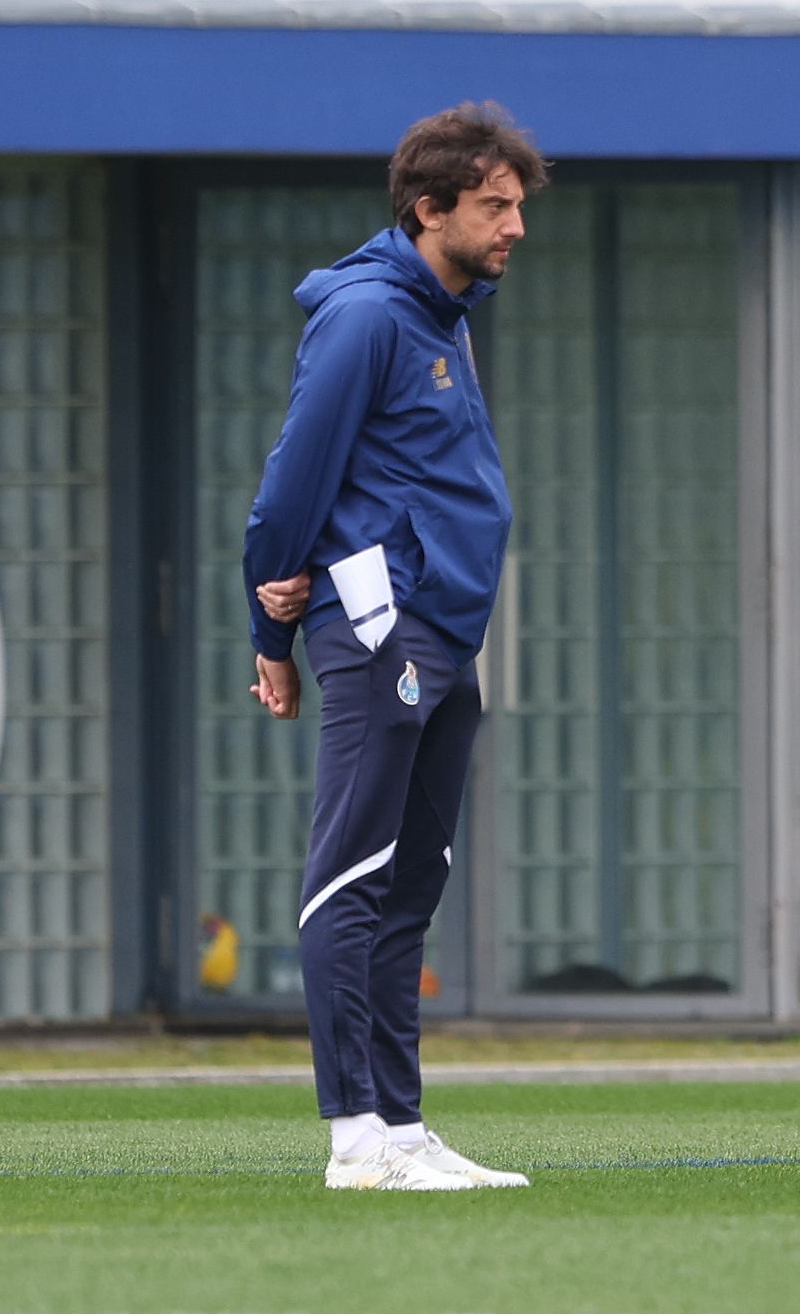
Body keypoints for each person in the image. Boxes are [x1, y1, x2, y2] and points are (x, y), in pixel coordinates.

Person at [244, 102, 549, 1192]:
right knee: (353, 874)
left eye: (518, 205)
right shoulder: (369, 318)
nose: (515, 225)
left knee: (412, 878)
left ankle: (403, 1127)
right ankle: (353, 1139)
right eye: (493, 207)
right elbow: (289, 488)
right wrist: (269, 630)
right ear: (429, 210)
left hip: (445, 631)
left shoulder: (446, 315)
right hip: (380, 627)